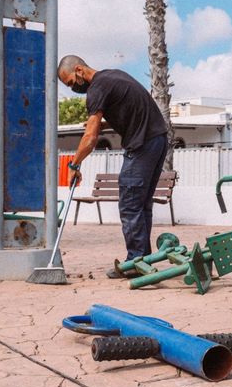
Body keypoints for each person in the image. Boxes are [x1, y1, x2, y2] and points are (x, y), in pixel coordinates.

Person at [57, 55, 168, 276]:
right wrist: (105, 123)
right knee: (141, 204)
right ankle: (142, 260)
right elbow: (130, 110)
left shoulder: (96, 90)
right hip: (159, 139)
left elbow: (90, 138)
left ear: (79, 70)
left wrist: (74, 165)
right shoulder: (112, 76)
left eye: (70, 82)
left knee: (129, 204)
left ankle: (135, 263)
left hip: (142, 144)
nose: (72, 88)